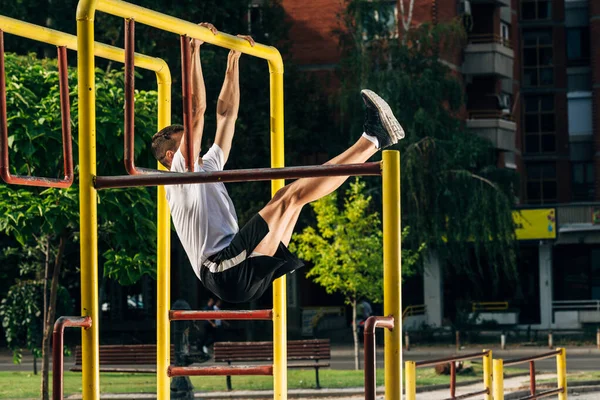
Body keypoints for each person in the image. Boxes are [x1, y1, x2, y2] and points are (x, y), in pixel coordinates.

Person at [151, 23, 405, 304]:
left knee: (293, 198)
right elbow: (196, 111)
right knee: (289, 196)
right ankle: (373, 138)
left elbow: (226, 116)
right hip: (223, 270)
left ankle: (373, 140)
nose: (195, 143)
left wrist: (233, 60)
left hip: (238, 267)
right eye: (187, 141)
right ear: (172, 156)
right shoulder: (178, 177)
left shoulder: (207, 165)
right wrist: (192, 51)